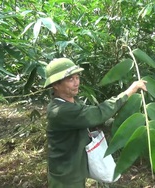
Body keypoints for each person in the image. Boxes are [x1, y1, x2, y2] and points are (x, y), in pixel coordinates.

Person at [44, 58, 147, 188]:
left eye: (77, 77)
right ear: (56, 85)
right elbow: (98, 114)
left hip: (75, 167)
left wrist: (123, 125)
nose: (76, 83)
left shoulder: (73, 102)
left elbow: (91, 121)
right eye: (70, 79)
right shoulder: (60, 111)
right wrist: (130, 91)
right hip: (66, 175)